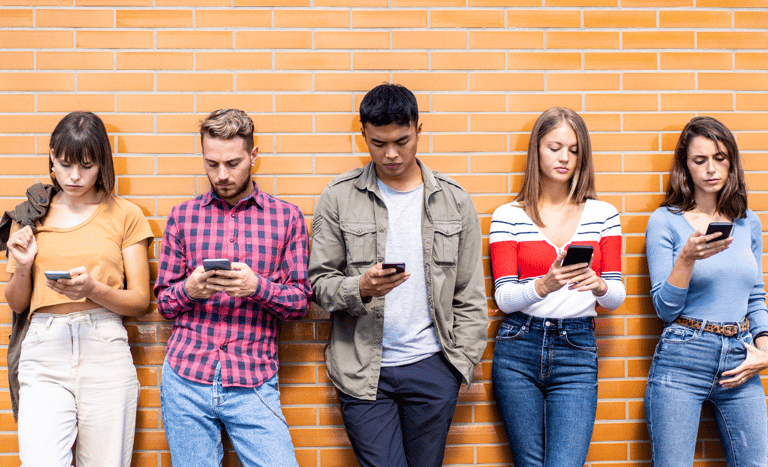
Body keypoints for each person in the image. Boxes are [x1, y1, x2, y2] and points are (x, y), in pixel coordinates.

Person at [308, 83, 488, 467]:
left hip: (433, 367)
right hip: (363, 371)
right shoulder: (338, 196)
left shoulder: (454, 200)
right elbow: (319, 284)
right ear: (363, 135)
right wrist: (360, 287)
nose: (390, 154)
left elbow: (469, 293)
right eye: (378, 143)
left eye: (402, 141)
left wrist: (458, 366)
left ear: (419, 130)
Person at [154, 108, 311, 467]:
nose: (222, 175)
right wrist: (190, 290)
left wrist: (258, 287)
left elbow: (300, 302)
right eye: (212, 164)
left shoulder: (287, 218)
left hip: (253, 378)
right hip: (186, 377)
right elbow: (164, 303)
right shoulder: (182, 216)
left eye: (233, 163)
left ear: (253, 156)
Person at [4, 111, 153, 467]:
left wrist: (92, 290)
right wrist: (23, 266)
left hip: (104, 346)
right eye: (65, 164)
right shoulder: (29, 216)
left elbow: (140, 301)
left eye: (86, 166)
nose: (74, 176)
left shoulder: (126, 214)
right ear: (52, 156)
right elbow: (17, 303)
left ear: (102, 163)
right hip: (44, 347)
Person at [489, 107, 625, 467]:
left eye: (574, 150)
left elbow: (616, 296)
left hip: (576, 348)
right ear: (537, 150)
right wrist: (544, 285)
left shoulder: (604, 214)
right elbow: (504, 298)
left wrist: (598, 285)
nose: (565, 157)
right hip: (519, 346)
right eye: (555, 147)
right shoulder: (508, 216)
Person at [644, 116, 768, 467]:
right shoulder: (665, 221)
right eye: (700, 160)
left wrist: (764, 351)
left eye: (719, 158)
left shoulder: (748, 222)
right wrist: (686, 258)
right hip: (684, 354)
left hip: (740, 355)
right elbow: (665, 309)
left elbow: (755, 296)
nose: (711, 169)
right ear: (685, 167)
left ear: (731, 162)